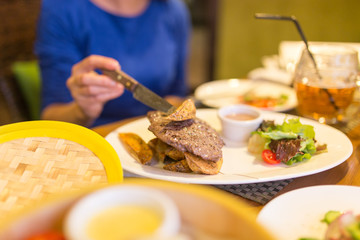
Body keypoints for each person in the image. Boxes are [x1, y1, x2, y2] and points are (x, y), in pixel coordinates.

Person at [35, 0, 191, 127]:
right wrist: (81, 111)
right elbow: (50, 117)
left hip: (153, 138)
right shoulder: (63, 9)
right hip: (96, 141)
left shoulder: (173, 10)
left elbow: (176, 92)